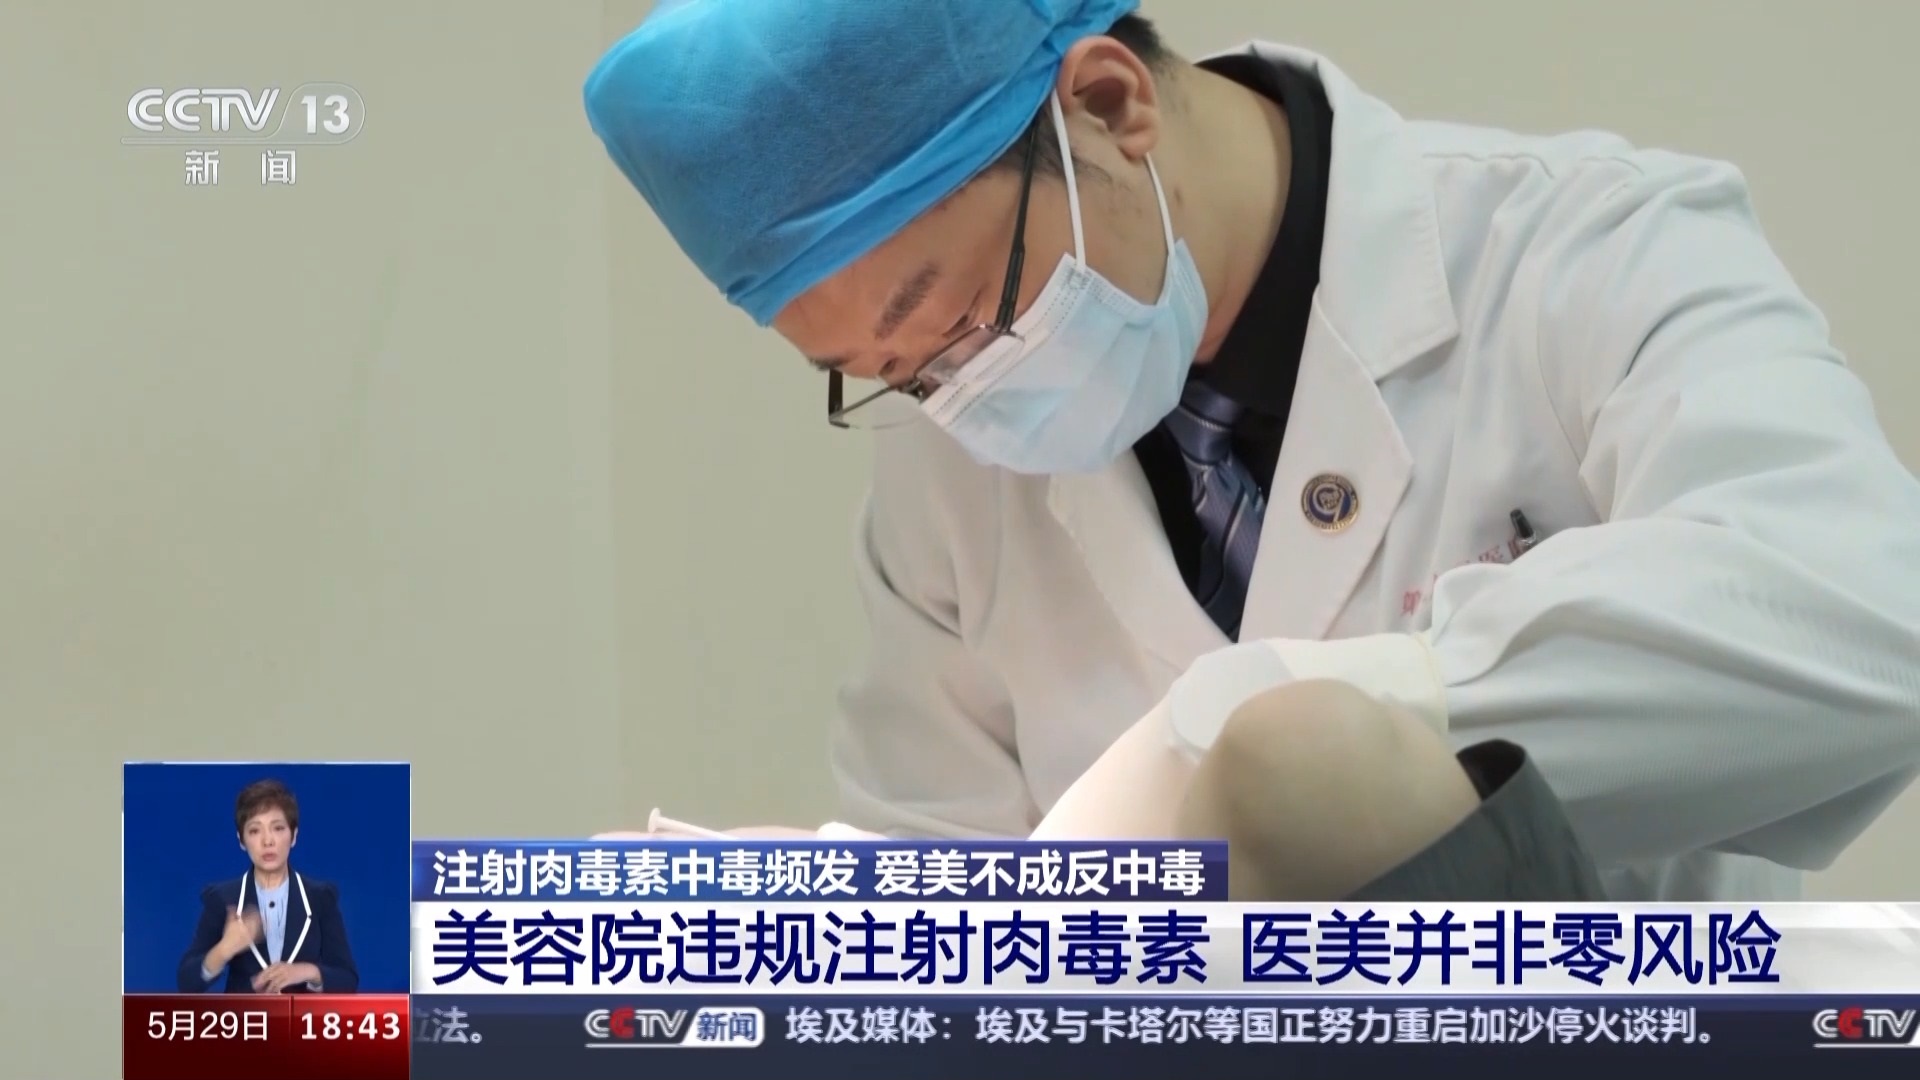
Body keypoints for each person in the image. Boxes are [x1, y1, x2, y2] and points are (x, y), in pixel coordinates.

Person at [583, 2, 1920, 900]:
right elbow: (955, 891)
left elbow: (1861, 613)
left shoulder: (1585, 249)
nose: (957, 397)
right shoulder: (958, 457)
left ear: (1110, 105)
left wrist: (1274, 735)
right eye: (888, 375)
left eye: (955, 319)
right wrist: (845, 919)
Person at [176, 779, 359, 993]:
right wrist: (224, 949)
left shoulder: (320, 898)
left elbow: (347, 979)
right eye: (255, 831)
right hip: (244, 1015)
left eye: (278, 828)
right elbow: (187, 982)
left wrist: (306, 972)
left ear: (294, 836)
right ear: (241, 840)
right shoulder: (223, 899)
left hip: (303, 1015)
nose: (267, 841)